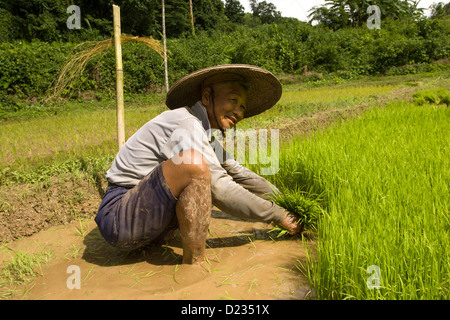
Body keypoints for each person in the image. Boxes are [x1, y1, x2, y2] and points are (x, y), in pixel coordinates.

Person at [95, 64, 302, 264]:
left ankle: (160, 245)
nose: (238, 111)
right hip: (119, 217)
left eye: (242, 107)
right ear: (206, 96)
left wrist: (286, 202)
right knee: (196, 166)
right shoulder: (187, 123)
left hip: (146, 216)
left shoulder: (205, 134)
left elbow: (238, 173)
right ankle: (194, 268)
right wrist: (278, 215)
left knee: (206, 169)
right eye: (233, 100)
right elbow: (220, 188)